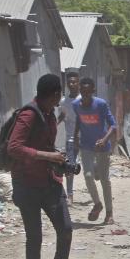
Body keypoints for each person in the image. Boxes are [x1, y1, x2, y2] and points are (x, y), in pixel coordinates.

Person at [8, 74, 74, 259]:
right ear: (55, 94)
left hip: (49, 181)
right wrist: (47, 156)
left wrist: (58, 159)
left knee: (65, 228)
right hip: (26, 185)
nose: (60, 98)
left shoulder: (49, 115)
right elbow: (14, 147)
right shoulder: (29, 114)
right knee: (34, 238)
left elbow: (44, 146)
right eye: (59, 94)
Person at [73, 77, 116, 224]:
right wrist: (75, 137)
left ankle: (109, 213)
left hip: (103, 147)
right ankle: (97, 204)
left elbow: (113, 125)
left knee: (104, 180)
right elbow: (79, 120)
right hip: (86, 145)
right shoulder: (75, 105)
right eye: (82, 92)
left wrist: (104, 140)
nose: (85, 95)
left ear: (93, 91)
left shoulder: (101, 104)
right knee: (88, 175)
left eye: (88, 92)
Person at [57, 71, 80, 206]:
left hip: (86, 139)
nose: (72, 84)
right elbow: (62, 116)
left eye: (74, 81)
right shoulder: (64, 101)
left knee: (93, 169)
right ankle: (70, 195)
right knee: (69, 166)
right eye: (70, 82)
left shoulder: (84, 99)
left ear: (78, 82)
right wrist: (54, 125)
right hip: (71, 138)